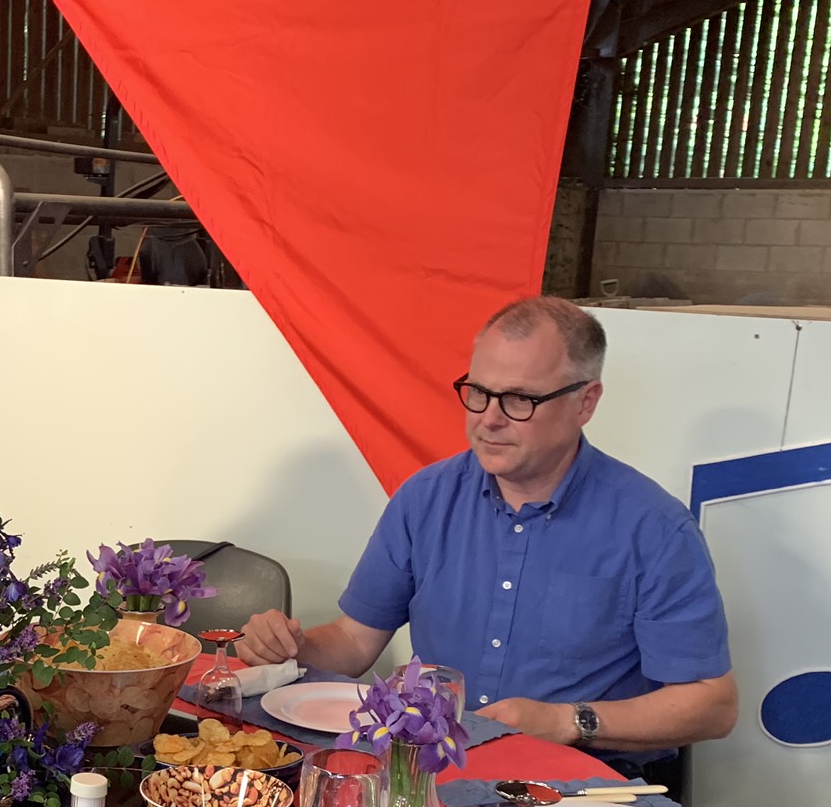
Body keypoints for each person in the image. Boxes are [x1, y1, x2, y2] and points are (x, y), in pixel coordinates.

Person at [237, 296, 736, 775]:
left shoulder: (653, 528)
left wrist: (569, 722)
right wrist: (292, 646)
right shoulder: (427, 497)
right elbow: (353, 641)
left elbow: (713, 705)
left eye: (520, 399)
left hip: (578, 786)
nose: (489, 420)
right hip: (433, 771)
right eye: (478, 393)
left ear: (585, 402)